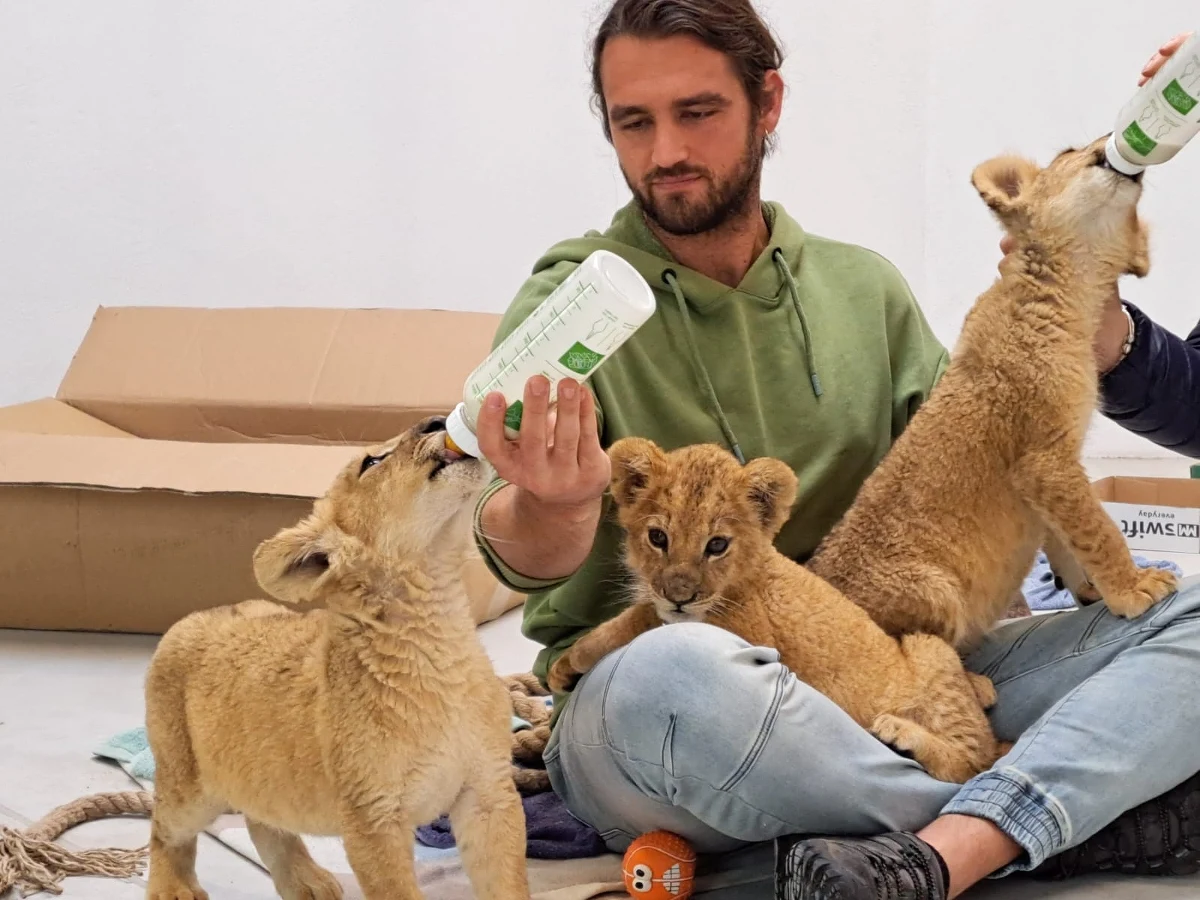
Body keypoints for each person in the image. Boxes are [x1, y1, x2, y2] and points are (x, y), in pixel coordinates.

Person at [472, 3, 1200, 897]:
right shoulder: (572, 305)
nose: (665, 151)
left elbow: (963, 472)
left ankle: (941, 845)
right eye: (634, 122)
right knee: (678, 669)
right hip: (684, 696)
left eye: (697, 112)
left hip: (879, 673)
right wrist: (554, 504)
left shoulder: (865, 290)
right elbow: (508, 544)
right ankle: (1047, 808)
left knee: (1190, 615)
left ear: (766, 102)